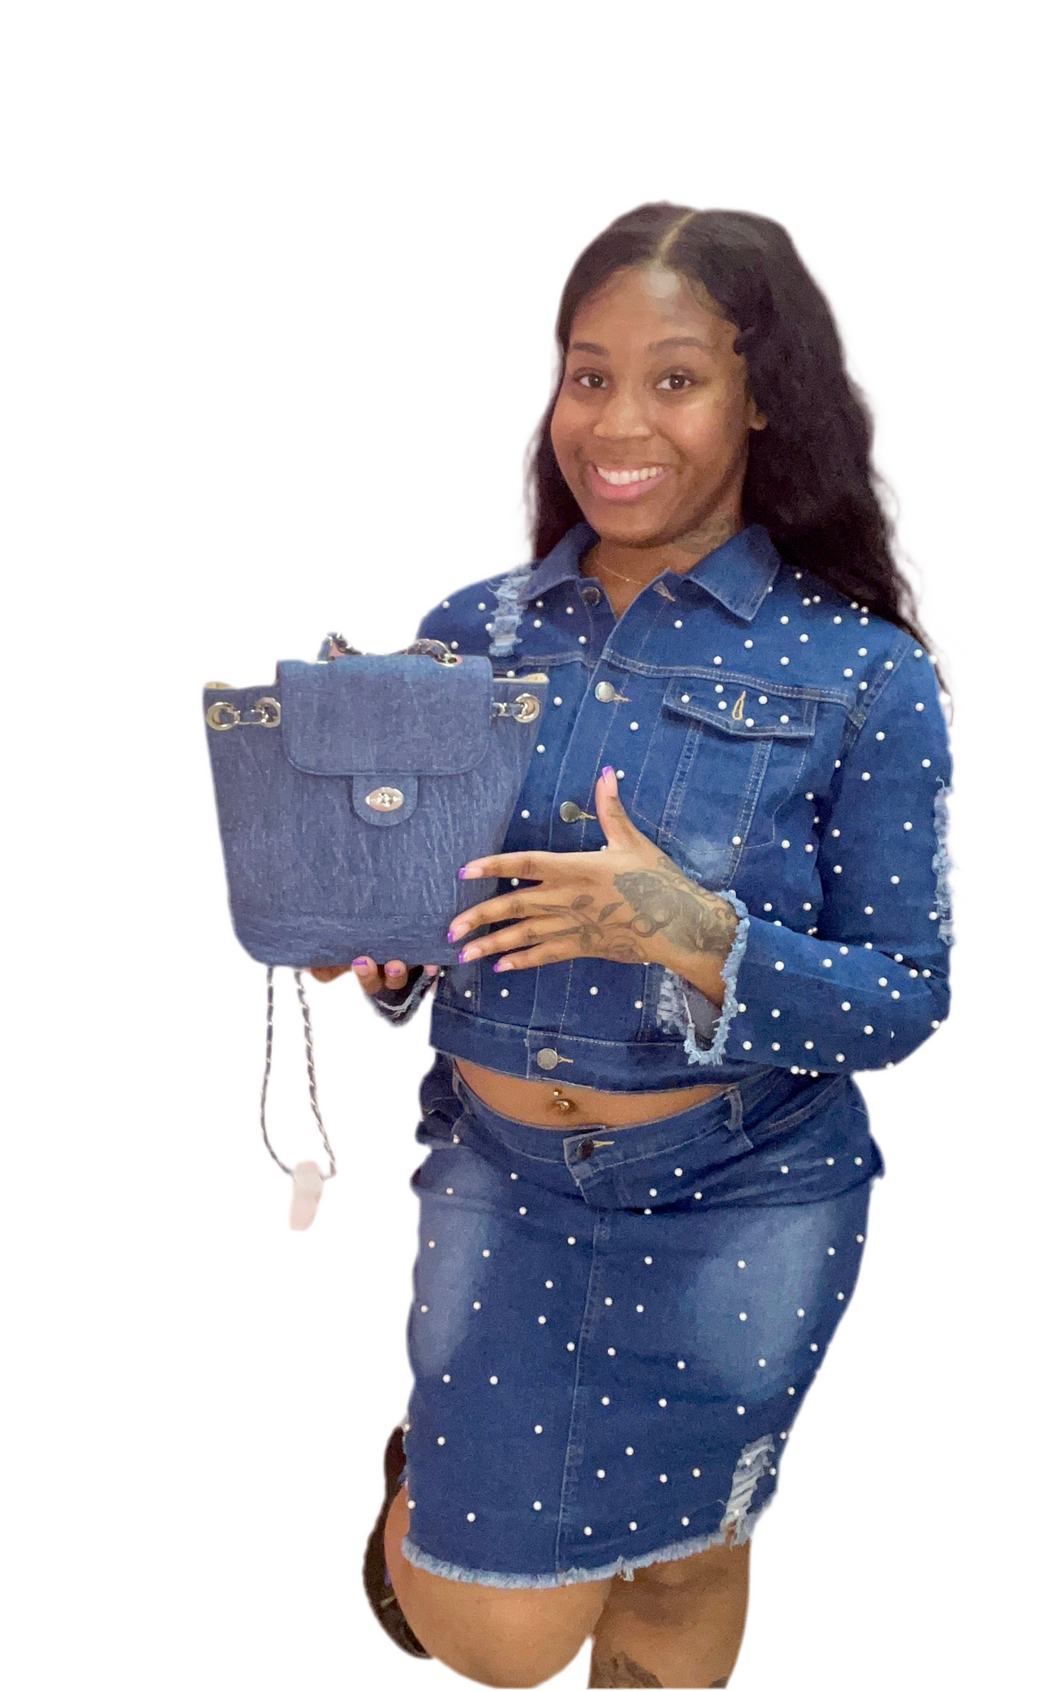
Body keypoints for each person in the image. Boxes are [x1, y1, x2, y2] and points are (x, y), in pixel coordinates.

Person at [312, 202, 953, 1689]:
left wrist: (697, 933)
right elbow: (428, 926)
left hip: (748, 1194)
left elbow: (906, 995)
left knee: (679, 1559)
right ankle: (433, 1475)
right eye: (587, 373)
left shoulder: (865, 669)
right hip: (504, 1178)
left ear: (762, 393)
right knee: (495, 1630)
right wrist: (384, 944)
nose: (619, 419)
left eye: (675, 377)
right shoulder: (470, 633)